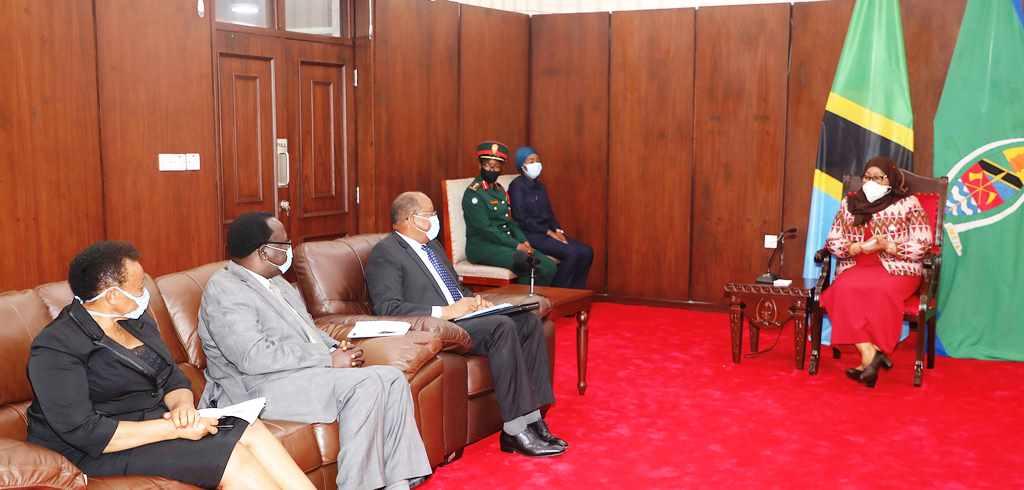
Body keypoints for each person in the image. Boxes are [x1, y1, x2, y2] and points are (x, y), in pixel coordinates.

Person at [26, 241, 313, 489]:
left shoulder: (135, 321)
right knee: (232, 457)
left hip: (152, 426)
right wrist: (174, 429)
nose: (145, 293)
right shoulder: (55, 347)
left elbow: (172, 377)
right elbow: (86, 432)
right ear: (112, 296)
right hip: (97, 450)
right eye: (139, 287)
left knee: (252, 430)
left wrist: (182, 408)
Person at [198, 212, 431, 490]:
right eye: (284, 244)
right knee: (366, 385)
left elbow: (307, 329)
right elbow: (253, 356)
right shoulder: (225, 290)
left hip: (295, 375)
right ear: (264, 251)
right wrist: (326, 358)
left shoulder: (277, 283)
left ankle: (398, 482)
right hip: (255, 388)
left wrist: (334, 346)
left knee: (392, 378)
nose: (289, 250)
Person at [365, 191, 568, 458]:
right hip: (437, 326)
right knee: (502, 327)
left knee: (528, 321)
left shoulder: (433, 247)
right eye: (430, 214)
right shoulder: (386, 253)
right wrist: (446, 311)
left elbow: (455, 289)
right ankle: (514, 430)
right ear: (411, 219)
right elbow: (387, 308)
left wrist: (474, 301)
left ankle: (533, 419)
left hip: (463, 316)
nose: (435, 219)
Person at [820, 156, 932, 388]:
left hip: (898, 267)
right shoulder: (849, 203)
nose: (871, 182)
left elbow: (923, 243)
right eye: (867, 177)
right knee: (842, 289)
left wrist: (889, 246)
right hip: (857, 265)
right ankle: (870, 354)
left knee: (880, 290)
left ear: (891, 179)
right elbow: (833, 240)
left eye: (878, 178)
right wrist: (855, 247)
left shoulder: (908, 203)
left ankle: (870, 360)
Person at [463, 140, 557, 286]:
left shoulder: (499, 190)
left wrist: (523, 240)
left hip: (504, 243)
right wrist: (516, 245)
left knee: (549, 267)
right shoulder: (474, 194)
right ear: (480, 165)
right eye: (489, 166)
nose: (493, 170)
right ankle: (523, 300)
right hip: (483, 247)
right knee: (527, 264)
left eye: (497, 167)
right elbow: (486, 230)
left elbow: (509, 220)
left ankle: (537, 298)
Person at [508, 146, 594, 289]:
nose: (536, 164)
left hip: (547, 233)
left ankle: (576, 293)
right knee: (572, 253)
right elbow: (521, 218)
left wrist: (558, 231)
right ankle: (557, 292)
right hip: (531, 235)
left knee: (586, 252)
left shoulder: (540, 186)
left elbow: (549, 213)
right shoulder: (516, 186)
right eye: (531, 161)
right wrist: (548, 232)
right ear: (521, 165)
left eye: (537, 160)